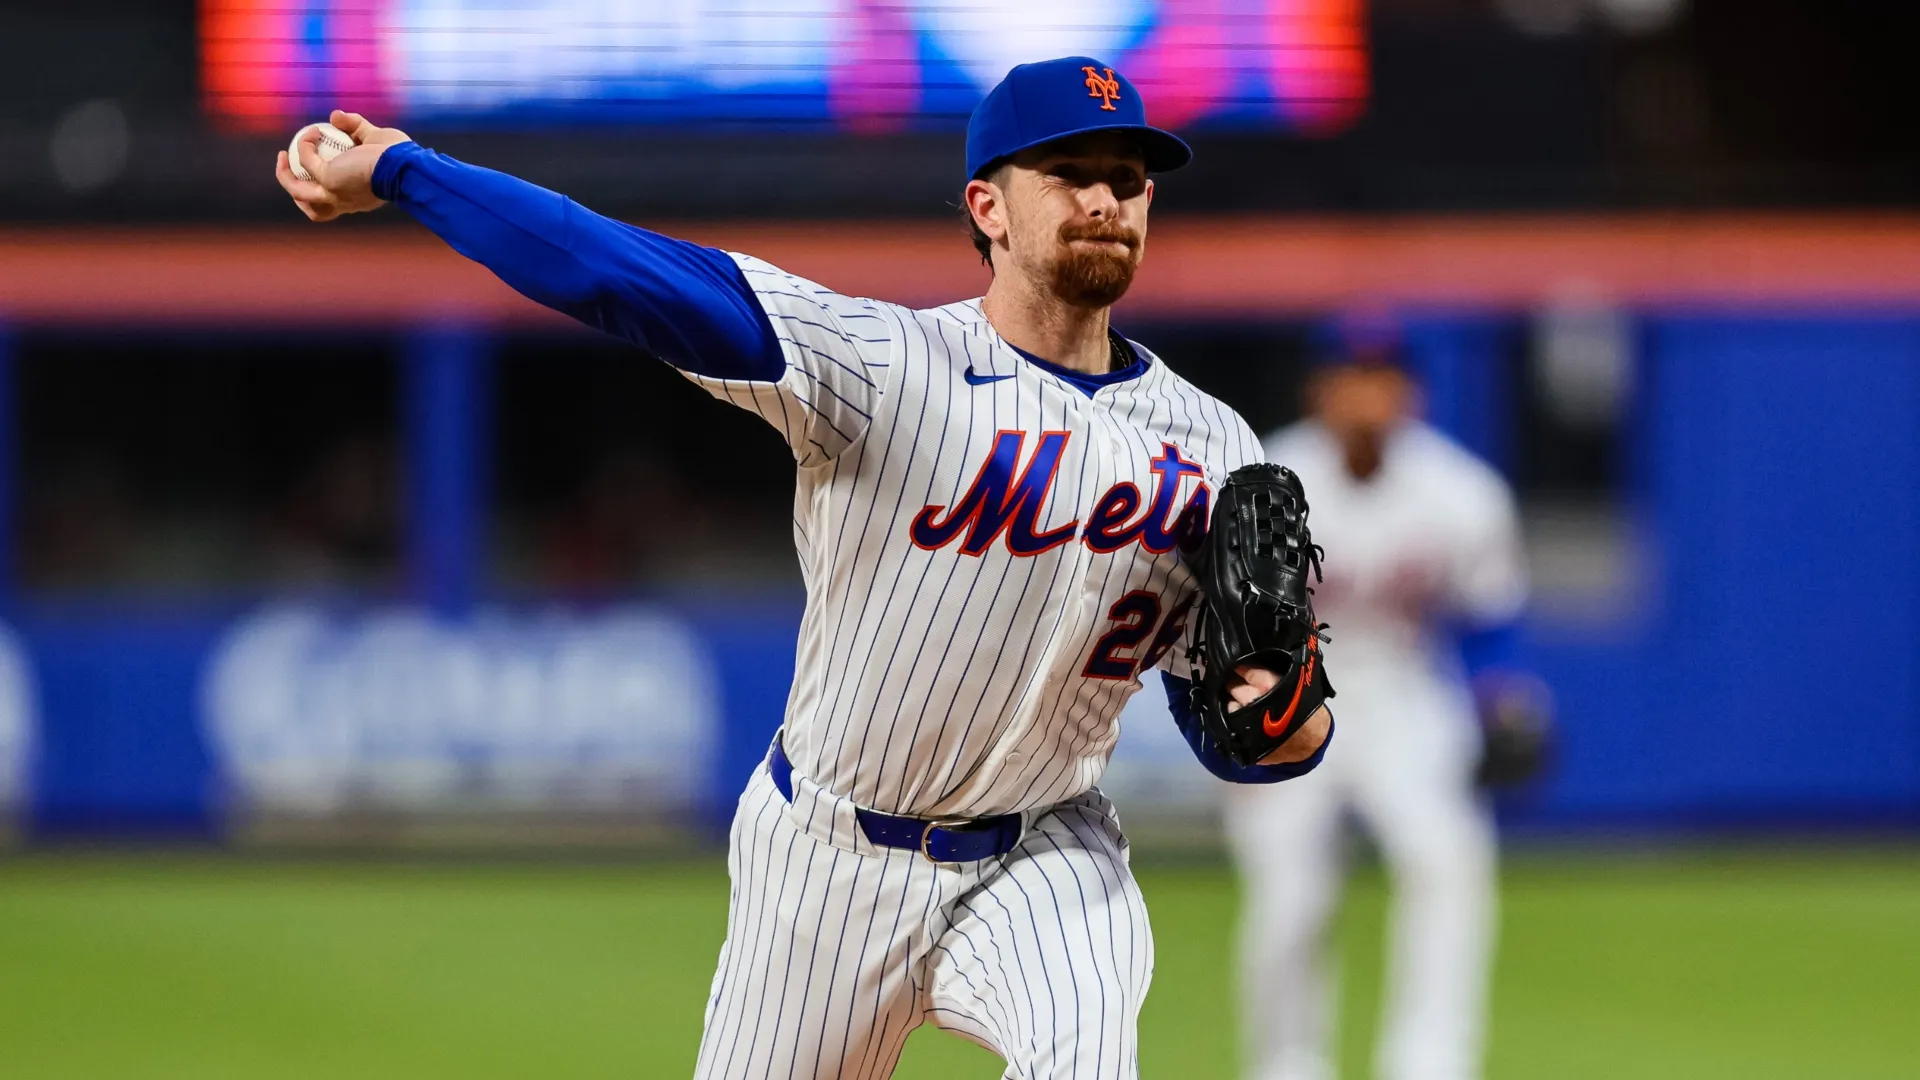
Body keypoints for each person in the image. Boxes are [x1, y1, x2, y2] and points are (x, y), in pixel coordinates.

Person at [276, 56, 1332, 1080]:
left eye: (1128, 179)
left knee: (1086, 1058)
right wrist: (406, 170)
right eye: (1071, 174)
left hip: (1047, 854)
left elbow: (1237, 736)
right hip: (826, 861)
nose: (1107, 198)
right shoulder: (885, 370)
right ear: (989, 207)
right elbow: (615, 271)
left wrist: (1289, 718)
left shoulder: (1214, 444)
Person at [1228, 351, 1537, 1080]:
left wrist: (1505, 695)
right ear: (1321, 389)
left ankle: (1431, 1064)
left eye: (1386, 378)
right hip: (1289, 690)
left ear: (1412, 395)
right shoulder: (1272, 480)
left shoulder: (1459, 489)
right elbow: (1230, 617)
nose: (1370, 394)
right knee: (1289, 898)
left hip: (1405, 689)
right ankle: (1287, 1065)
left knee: (1445, 865)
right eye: (1354, 376)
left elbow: (1492, 616)